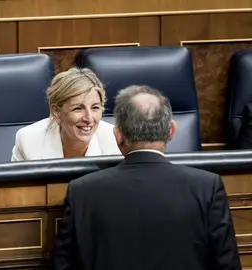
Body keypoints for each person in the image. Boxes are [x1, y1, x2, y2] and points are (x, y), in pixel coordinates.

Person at [52, 85, 241, 270]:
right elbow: (227, 265)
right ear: (171, 131)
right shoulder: (207, 188)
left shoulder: (81, 192)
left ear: (118, 136)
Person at [11, 67, 120, 161]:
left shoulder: (115, 140)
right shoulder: (28, 141)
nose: (89, 118)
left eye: (95, 107)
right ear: (56, 112)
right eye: (78, 108)